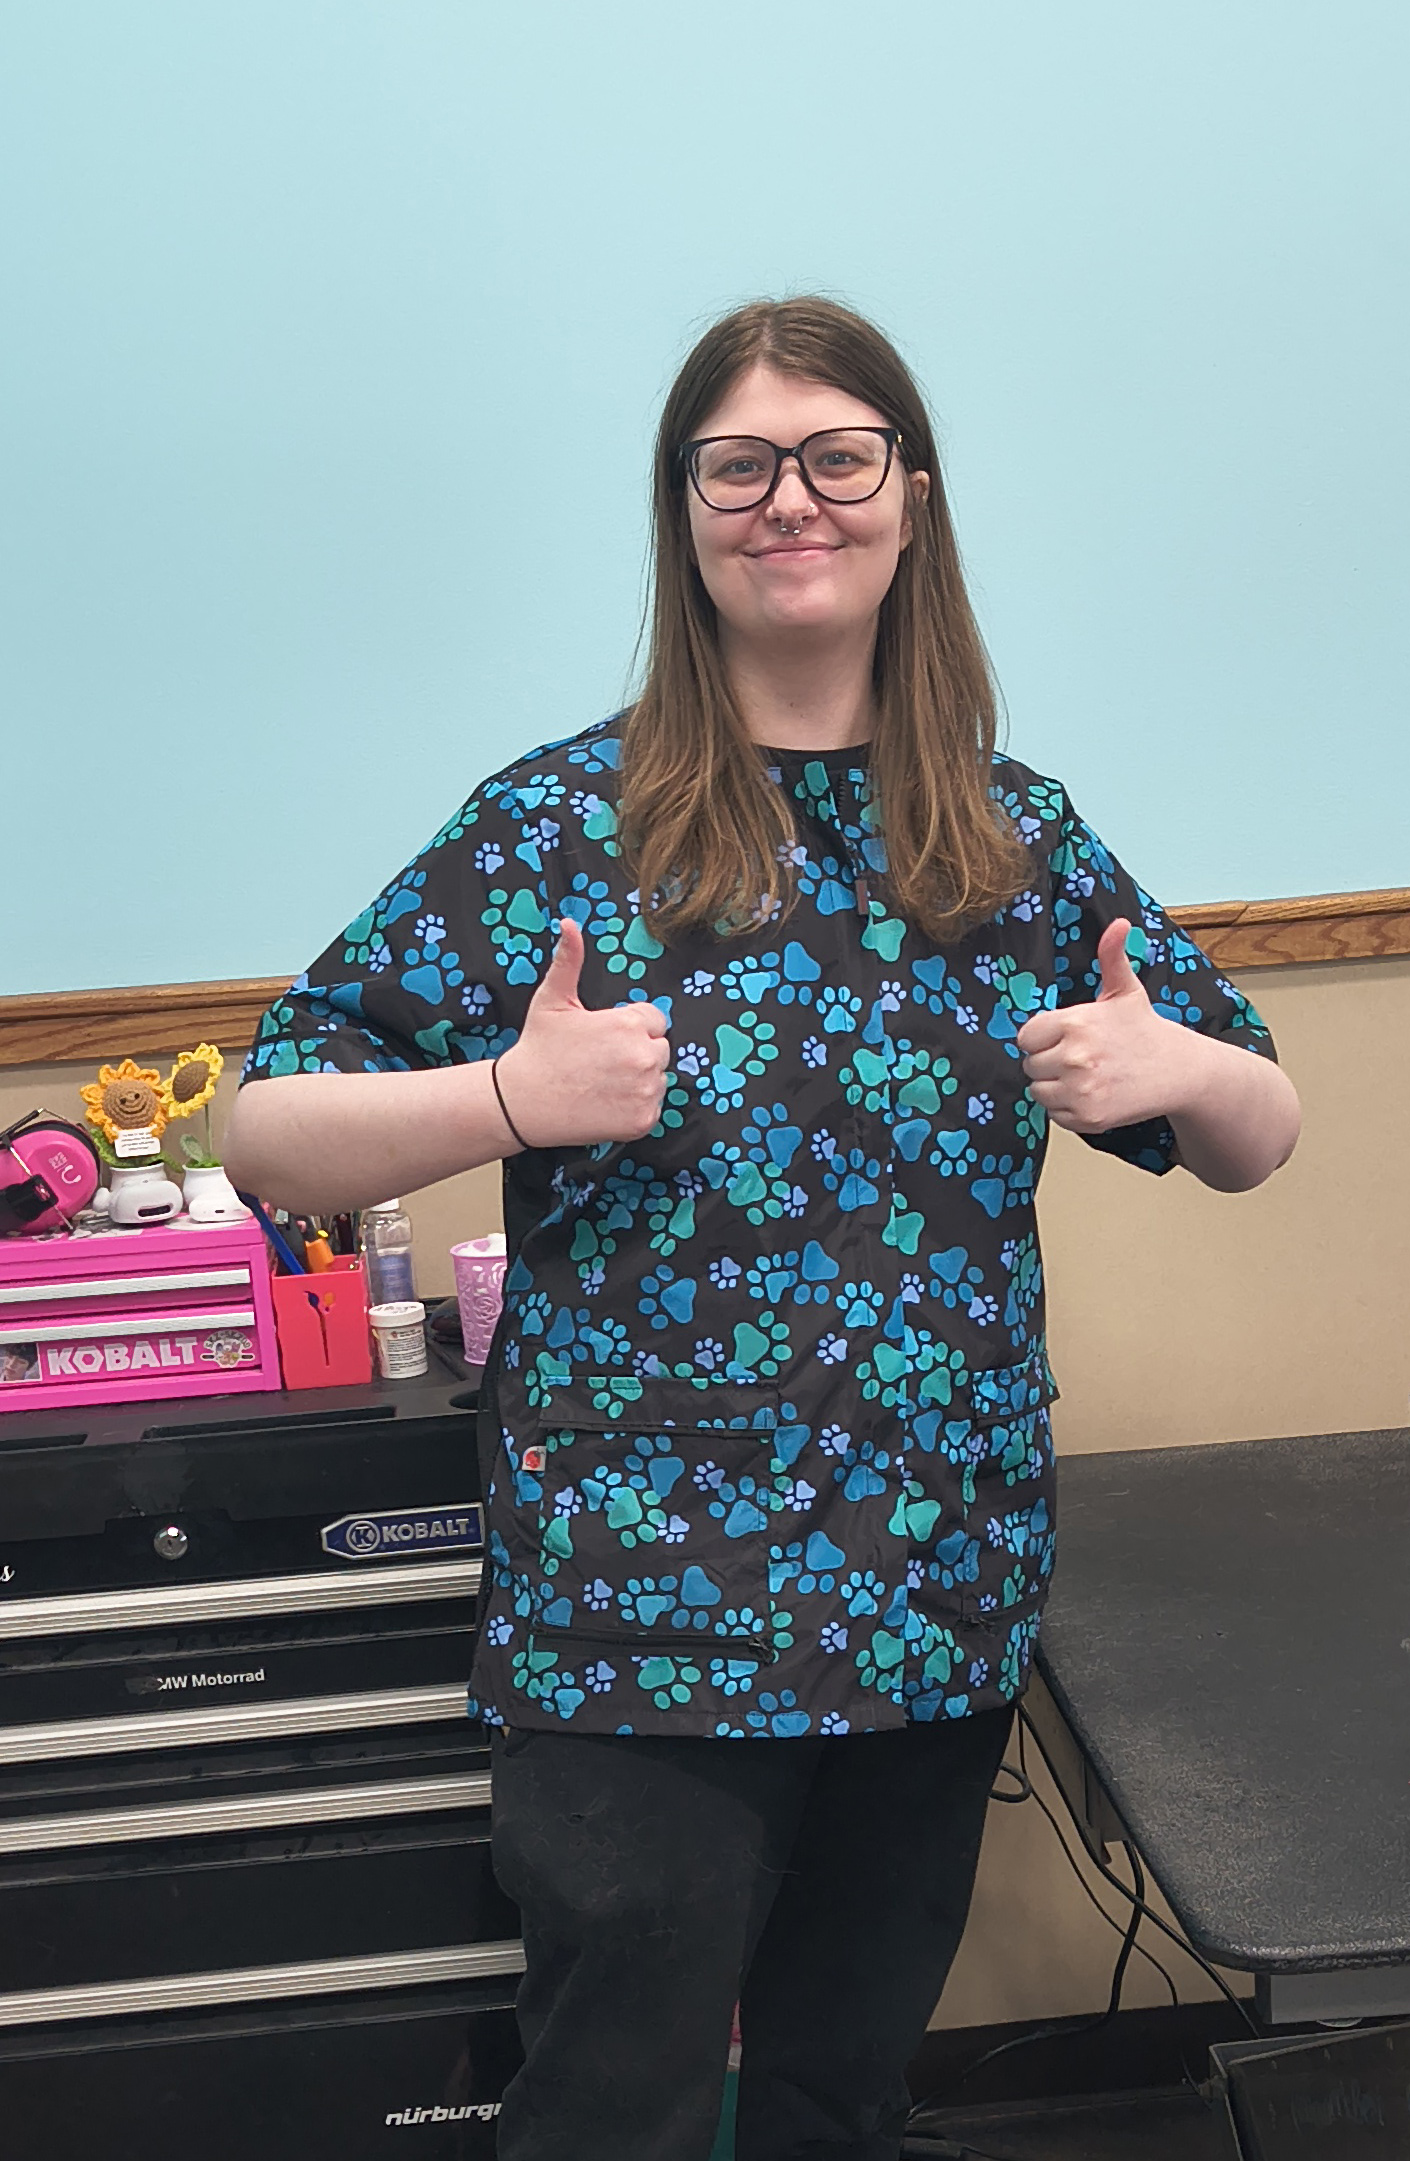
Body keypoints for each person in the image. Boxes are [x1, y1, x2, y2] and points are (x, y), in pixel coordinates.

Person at [225, 296, 1300, 2161]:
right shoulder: (561, 825)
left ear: (909, 497)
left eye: (835, 456)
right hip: (643, 1600)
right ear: (683, 506)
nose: (789, 499)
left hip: (929, 1572)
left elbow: (1257, 1133)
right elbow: (263, 1130)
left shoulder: (1011, 837)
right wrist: (507, 1099)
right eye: (737, 465)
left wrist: (1176, 1067)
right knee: (615, 2099)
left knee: (836, 2091)